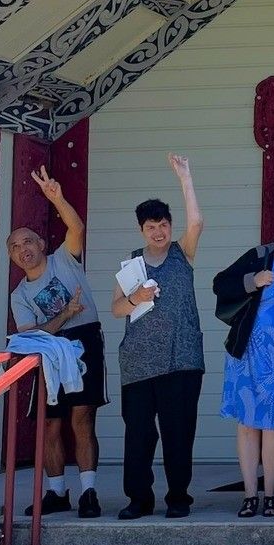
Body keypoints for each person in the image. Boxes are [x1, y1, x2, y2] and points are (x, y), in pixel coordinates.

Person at [5, 167, 105, 519]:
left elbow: (76, 228)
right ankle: (56, 493)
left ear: (42, 244)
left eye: (28, 241)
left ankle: (89, 492)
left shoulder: (64, 258)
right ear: (12, 257)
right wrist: (65, 314)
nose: (23, 249)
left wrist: (56, 197)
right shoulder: (19, 295)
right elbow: (32, 335)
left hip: (85, 340)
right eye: (15, 247)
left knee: (82, 418)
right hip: (47, 350)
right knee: (50, 422)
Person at [108, 155, 204, 520]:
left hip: (181, 360)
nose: (159, 232)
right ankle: (139, 499)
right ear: (142, 230)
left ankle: (178, 497)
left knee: (179, 434)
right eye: (152, 226)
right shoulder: (132, 265)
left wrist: (185, 178)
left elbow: (196, 220)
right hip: (138, 364)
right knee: (139, 437)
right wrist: (137, 298)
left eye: (163, 224)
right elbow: (116, 309)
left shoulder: (183, 254)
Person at [212, 212, 274, 518]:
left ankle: (270, 495)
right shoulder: (259, 257)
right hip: (245, 353)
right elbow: (220, 284)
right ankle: (249, 495)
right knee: (246, 426)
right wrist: (252, 281)